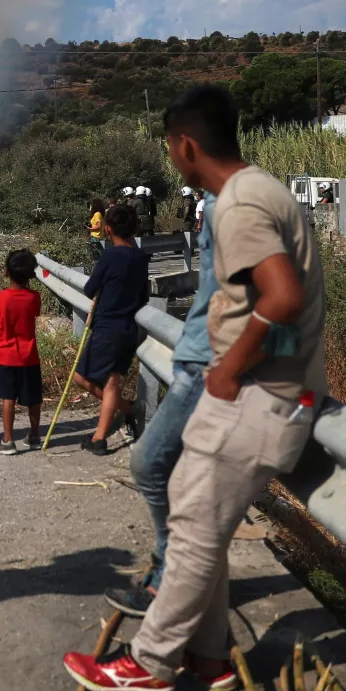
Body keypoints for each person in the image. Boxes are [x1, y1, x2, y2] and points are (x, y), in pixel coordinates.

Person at [65, 84, 325, 691]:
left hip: (256, 394)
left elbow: (282, 296)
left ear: (185, 146)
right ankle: (209, 659)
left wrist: (229, 369)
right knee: (194, 525)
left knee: (191, 530)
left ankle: (151, 663)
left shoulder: (238, 204)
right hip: (266, 390)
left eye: (168, 146)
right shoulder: (260, 190)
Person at [104, 185, 218, 618]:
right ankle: (186, 614)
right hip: (202, 360)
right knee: (186, 484)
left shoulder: (229, 207)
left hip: (209, 368)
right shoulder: (219, 204)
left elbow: (276, 295)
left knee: (153, 465)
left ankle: (168, 584)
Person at [72, 203, 148, 456]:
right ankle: (126, 412)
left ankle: (102, 436)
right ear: (134, 228)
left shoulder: (110, 256)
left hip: (107, 327)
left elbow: (89, 289)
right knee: (111, 381)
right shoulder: (140, 257)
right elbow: (144, 296)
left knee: (82, 378)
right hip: (129, 329)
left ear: (107, 229)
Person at [0, 248, 43, 455]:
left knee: (8, 398)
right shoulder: (34, 298)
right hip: (29, 356)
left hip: (4, 355)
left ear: (6, 272)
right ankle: (35, 435)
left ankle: (8, 440)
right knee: (33, 398)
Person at [177, 187, 196, 270]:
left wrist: (184, 219)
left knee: (187, 234)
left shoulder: (187, 201)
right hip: (191, 219)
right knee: (188, 233)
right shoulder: (192, 200)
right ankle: (190, 250)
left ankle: (189, 251)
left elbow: (187, 210)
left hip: (188, 220)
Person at [87, 198, 107, 262]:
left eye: (91, 205)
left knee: (95, 255)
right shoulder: (99, 214)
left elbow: (99, 226)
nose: (90, 207)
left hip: (95, 237)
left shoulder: (97, 214)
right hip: (97, 237)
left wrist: (89, 228)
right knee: (98, 255)